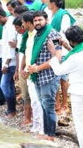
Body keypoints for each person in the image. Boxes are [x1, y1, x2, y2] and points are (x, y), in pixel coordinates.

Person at [26, 11, 62, 142]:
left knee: (48, 106)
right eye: (35, 21)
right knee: (43, 105)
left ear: (46, 20)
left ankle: (51, 135)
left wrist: (37, 68)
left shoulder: (53, 34)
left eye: (39, 20)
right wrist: (32, 68)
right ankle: (47, 133)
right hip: (38, 77)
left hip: (49, 76)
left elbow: (57, 58)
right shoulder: (38, 34)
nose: (37, 23)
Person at [47, 0, 76, 114]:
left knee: (63, 78)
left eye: (48, 1)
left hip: (62, 50)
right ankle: (57, 103)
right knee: (55, 78)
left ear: (53, 3)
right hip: (54, 49)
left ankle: (64, 104)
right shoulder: (52, 15)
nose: (47, 4)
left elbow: (64, 33)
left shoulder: (63, 15)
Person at [19, 12, 44, 134]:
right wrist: (22, 69)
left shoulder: (37, 35)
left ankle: (40, 129)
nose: (22, 24)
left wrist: (29, 70)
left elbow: (37, 56)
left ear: (29, 23)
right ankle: (36, 126)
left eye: (23, 22)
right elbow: (26, 54)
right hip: (28, 71)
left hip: (35, 72)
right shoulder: (27, 35)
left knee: (37, 101)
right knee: (34, 101)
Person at [0, 6, 17, 118]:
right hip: (6, 59)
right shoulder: (6, 25)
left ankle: (11, 110)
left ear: (0, 17)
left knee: (4, 85)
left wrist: (6, 63)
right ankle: (11, 109)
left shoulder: (10, 26)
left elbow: (11, 46)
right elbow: (5, 42)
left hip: (10, 62)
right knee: (9, 85)